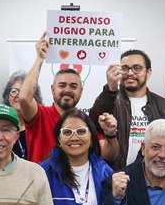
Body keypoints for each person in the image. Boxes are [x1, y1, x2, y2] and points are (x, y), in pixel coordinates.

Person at [17, 33, 120, 164]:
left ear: (81, 92)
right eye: (62, 85)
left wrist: (110, 134)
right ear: (53, 89)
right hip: (42, 177)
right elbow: (24, 98)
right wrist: (39, 59)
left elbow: (109, 155)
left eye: (73, 86)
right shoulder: (39, 115)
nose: (67, 90)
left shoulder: (85, 121)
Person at [90, 50, 165, 170]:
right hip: (115, 174)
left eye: (137, 68)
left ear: (148, 72)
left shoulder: (164, 107)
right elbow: (93, 122)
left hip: (151, 175)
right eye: (124, 68)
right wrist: (111, 89)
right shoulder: (110, 99)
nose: (130, 73)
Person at [2, 70, 40, 160]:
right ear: (8, 95)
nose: (19, 96)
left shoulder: (40, 125)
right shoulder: (1, 123)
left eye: (24, 92)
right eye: (14, 91)